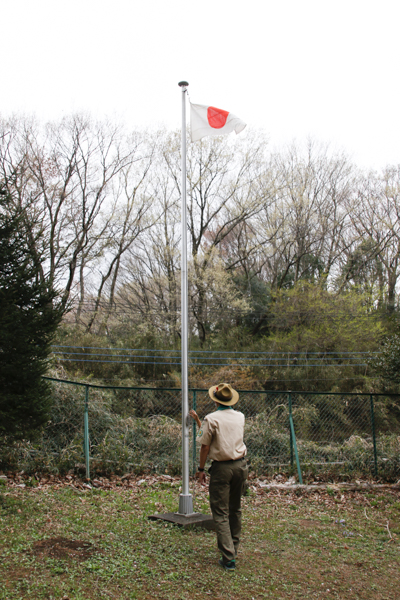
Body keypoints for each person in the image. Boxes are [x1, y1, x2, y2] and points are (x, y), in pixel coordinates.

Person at [189, 382, 248, 572]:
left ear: (215, 401)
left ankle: (228, 557)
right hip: (240, 466)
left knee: (220, 511)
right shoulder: (240, 417)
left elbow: (205, 444)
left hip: (221, 469)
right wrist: (200, 421)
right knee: (235, 509)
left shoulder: (211, 418)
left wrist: (200, 469)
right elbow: (221, 437)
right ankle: (234, 548)